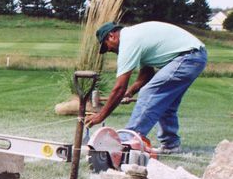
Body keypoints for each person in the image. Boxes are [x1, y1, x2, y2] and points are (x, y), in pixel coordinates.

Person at [84, 21, 207, 154]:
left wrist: (100, 116)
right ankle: (171, 145)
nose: (110, 50)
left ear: (112, 36)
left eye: (108, 47)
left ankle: (128, 140)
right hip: (195, 56)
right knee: (166, 103)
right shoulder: (136, 37)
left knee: (149, 93)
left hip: (188, 56)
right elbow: (146, 74)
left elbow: (119, 87)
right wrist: (129, 93)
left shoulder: (128, 42)